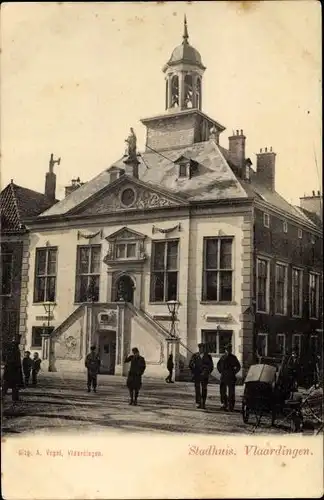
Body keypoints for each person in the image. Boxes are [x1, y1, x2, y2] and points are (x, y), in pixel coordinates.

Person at [189, 343, 214, 410]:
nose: (201, 349)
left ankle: (203, 403)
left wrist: (207, 372)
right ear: (199, 348)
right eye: (200, 348)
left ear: (204, 349)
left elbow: (211, 366)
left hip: (204, 375)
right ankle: (198, 402)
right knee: (197, 389)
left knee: (204, 389)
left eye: (202, 348)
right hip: (197, 375)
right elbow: (190, 365)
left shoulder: (208, 356)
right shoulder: (195, 355)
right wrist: (193, 368)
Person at [217, 344, 241, 412]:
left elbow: (238, 366)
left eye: (229, 349)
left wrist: (234, 372)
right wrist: (220, 371)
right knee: (222, 392)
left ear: (231, 350)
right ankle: (224, 404)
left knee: (231, 393)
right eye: (227, 349)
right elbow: (218, 365)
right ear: (225, 350)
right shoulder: (222, 357)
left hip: (231, 376)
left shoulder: (233, 357)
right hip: (223, 376)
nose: (228, 351)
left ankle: (231, 406)